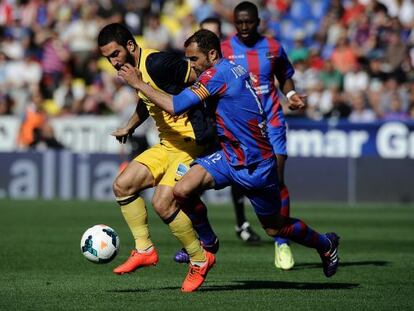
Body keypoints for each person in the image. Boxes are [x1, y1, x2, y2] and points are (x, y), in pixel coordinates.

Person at [121, 29, 340, 279]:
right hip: (228, 156)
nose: (190, 66)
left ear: (212, 54)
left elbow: (174, 105)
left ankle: (325, 244)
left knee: (274, 227)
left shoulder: (217, 75)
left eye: (194, 59)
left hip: (255, 164)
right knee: (181, 190)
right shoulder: (229, 68)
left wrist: (138, 83)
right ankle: (208, 243)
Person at [97, 23, 218, 293]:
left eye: (115, 54)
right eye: (108, 58)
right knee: (122, 185)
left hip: (193, 144)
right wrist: (130, 125)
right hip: (167, 145)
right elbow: (148, 97)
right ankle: (144, 249)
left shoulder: (159, 62)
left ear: (130, 46)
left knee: (163, 203)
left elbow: (203, 75)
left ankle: (200, 259)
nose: (113, 62)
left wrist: (214, 120)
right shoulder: (135, 72)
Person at [200, 15, 262, 245]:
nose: (212, 36)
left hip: (226, 129)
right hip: (203, 129)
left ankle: (241, 223)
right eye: (207, 32)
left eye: (216, 33)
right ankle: (200, 231)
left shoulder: (227, 65)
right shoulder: (193, 62)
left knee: (238, 176)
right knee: (191, 182)